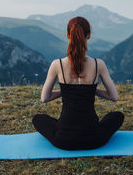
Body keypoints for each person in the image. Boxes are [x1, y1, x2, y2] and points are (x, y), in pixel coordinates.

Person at [32, 16, 124, 150]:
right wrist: (91, 90)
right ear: (89, 35)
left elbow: (44, 98)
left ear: (67, 35)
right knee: (117, 116)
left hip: (63, 140)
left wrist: (65, 92)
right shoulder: (99, 64)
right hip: (93, 139)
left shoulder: (57, 64)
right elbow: (113, 97)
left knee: (38, 118)